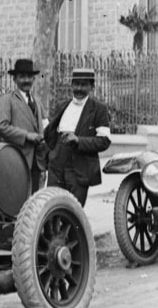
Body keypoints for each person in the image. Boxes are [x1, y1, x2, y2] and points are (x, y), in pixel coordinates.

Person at [44, 67, 111, 206]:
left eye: (84, 84)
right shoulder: (61, 106)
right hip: (56, 166)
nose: (79, 88)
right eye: (76, 84)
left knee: (73, 211)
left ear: (92, 86)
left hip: (79, 169)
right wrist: (51, 155)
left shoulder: (99, 109)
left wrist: (79, 140)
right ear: (71, 85)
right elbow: (50, 133)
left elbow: (104, 141)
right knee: (51, 208)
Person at [0, 58, 49, 193]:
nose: (26, 80)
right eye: (22, 77)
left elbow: (45, 125)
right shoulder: (7, 100)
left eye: (29, 77)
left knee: (36, 201)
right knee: (17, 198)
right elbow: (0, 126)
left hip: (38, 162)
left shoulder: (37, 101)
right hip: (16, 159)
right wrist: (27, 136)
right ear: (14, 80)